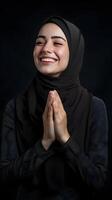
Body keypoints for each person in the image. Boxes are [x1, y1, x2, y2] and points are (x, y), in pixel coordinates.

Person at [0, 16, 108, 200]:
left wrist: (65, 138)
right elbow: (5, 176)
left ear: (74, 51)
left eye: (57, 42)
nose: (46, 49)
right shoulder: (16, 106)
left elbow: (97, 180)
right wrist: (45, 143)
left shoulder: (94, 107)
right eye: (39, 42)